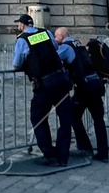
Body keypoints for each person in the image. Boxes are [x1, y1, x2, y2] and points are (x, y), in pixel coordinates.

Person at [11, 13, 77, 167]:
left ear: (22, 25)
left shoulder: (22, 39)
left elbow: (16, 64)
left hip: (44, 85)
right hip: (61, 80)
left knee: (38, 117)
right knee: (65, 119)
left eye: (18, 24)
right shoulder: (45, 32)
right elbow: (54, 47)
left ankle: (50, 154)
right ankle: (63, 155)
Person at [57, 28, 109, 162]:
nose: (56, 40)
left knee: (72, 115)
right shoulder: (78, 44)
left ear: (62, 36)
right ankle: (103, 154)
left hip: (84, 88)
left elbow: (55, 58)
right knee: (98, 120)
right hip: (96, 84)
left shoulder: (66, 47)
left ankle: (85, 147)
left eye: (56, 37)